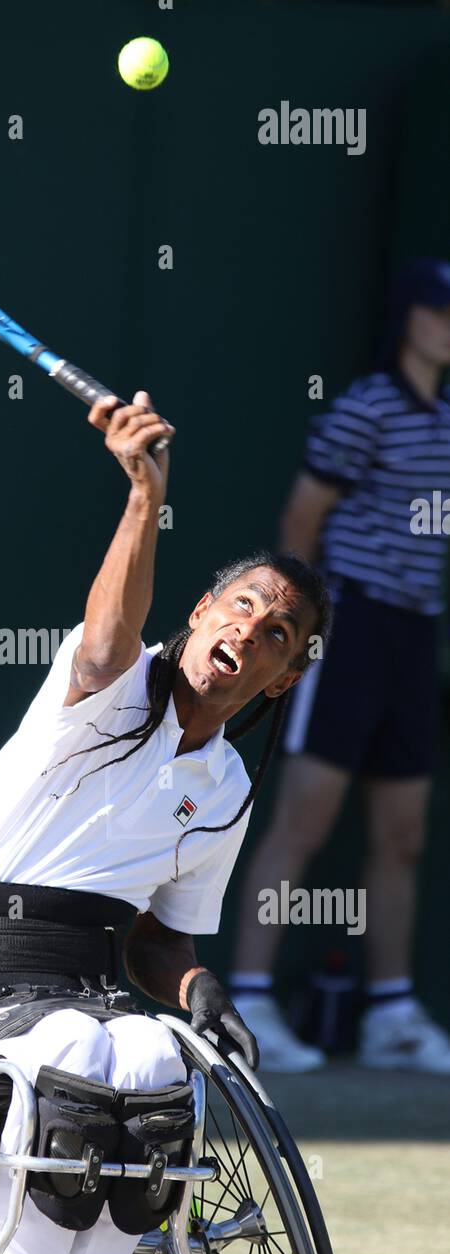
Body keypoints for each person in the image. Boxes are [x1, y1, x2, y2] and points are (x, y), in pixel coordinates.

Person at [0, 391, 331, 1254]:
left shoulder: (228, 789)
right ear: (200, 613)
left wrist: (201, 988)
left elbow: (159, 940)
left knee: (159, 1060)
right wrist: (143, 498)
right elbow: (108, 634)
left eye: (279, 633)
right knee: (84, 1046)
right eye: (240, 607)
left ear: (283, 678)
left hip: (76, 992)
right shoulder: (112, 692)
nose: (250, 630)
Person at [228, 257, 450, 1074]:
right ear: (409, 319)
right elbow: (302, 516)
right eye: (437, 311)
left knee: (403, 834)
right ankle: (248, 998)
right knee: (304, 821)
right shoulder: (365, 409)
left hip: (414, 636)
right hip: (348, 627)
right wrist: (301, 632)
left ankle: (390, 1012)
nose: (448, 325)